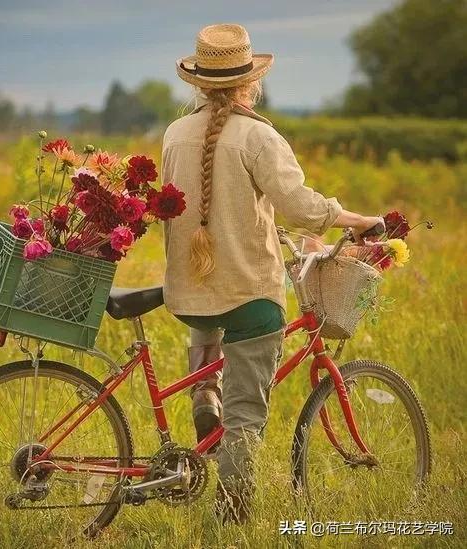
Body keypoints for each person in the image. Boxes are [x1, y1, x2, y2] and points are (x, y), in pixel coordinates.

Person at [161, 23, 382, 523]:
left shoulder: (174, 135)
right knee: (247, 415)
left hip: (190, 291)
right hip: (248, 292)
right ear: (249, 82)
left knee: (210, 341)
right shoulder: (258, 136)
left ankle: (204, 394)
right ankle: (232, 519)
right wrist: (359, 220)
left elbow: (196, 207)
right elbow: (301, 207)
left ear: (198, 83)